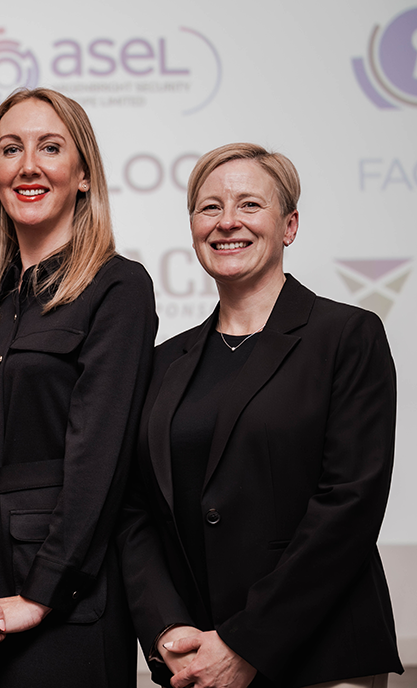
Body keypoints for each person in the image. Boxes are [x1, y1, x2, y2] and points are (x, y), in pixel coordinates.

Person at [118, 143, 403, 688]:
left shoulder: (347, 336)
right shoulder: (162, 362)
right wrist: (168, 632)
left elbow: (349, 504)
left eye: (250, 205)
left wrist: (245, 643)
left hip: (324, 657)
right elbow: (136, 512)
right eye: (209, 208)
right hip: (196, 658)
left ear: (289, 225)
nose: (228, 222)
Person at [0, 87, 157, 687]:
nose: (28, 165)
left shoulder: (118, 289)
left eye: (50, 147)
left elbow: (99, 457)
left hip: (69, 607)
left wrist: (41, 594)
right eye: (11, 150)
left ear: (82, 175)